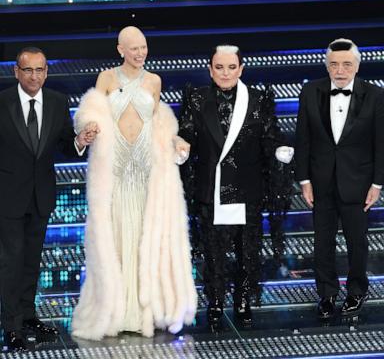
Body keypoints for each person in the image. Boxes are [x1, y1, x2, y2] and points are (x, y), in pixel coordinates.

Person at [72, 26, 197, 340]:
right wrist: (87, 126)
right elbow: (91, 113)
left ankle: (145, 311)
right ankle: (114, 311)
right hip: (115, 170)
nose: (140, 53)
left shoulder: (154, 81)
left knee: (145, 238)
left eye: (143, 47)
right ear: (120, 50)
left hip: (144, 170)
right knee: (115, 237)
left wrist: (175, 139)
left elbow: (158, 124)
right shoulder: (107, 78)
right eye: (134, 48)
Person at [178, 44, 293, 326]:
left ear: (241, 69)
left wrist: (279, 149)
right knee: (214, 249)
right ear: (210, 69)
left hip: (246, 186)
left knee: (247, 249)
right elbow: (186, 132)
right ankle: (216, 300)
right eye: (219, 67)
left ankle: (243, 299)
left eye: (232, 67)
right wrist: (180, 144)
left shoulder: (257, 99)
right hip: (211, 186)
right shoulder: (196, 99)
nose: (226, 73)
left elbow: (270, 135)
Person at [0, 47, 97, 351]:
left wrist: (79, 141)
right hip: (8, 197)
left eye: (39, 70)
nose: (34, 76)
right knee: (10, 263)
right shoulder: (2, 102)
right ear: (16, 72)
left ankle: (29, 317)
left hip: (41, 196)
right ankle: (12, 326)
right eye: (27, 70)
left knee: (31, 263)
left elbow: (64, 144)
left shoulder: (56, 101)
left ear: (46, 72)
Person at [295, 38, 384, 319]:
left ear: (357, 66)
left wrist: (377, 183)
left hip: (358, 181)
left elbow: (380, 143)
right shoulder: (310, 91)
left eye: (347, 64)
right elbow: (303, 138)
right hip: (320, 180)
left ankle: (356, 292)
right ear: (327, 66)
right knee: (323, 241)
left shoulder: (375, 95)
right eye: (334, 64)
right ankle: (327, 294)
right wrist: (304, 180)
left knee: (357, 241)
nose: (340, 70)